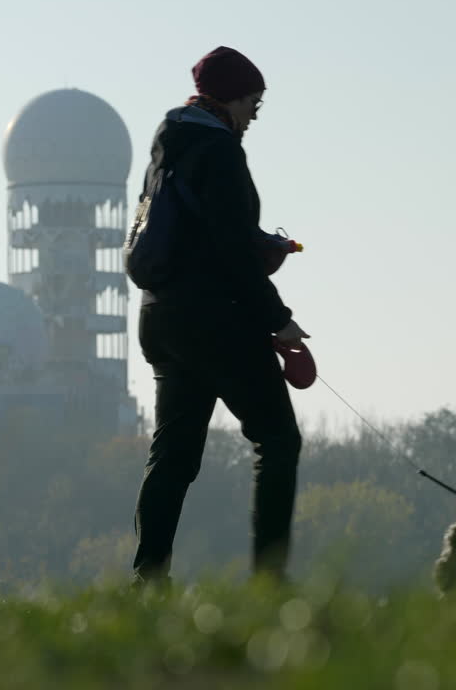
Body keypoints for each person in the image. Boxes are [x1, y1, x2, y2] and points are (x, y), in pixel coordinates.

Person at [132, 46, 309, 584]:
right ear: (232, 97)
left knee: (174, 456)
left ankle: (149, 579)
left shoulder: (169, 145)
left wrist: (259, 245)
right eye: (254, 100)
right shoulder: (221, 151)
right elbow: (230, 253)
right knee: (278, 441)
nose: (256, 111)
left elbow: (194, 234)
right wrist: (279, 321)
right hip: (216, 322)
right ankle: (270, 584)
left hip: (161, 319)